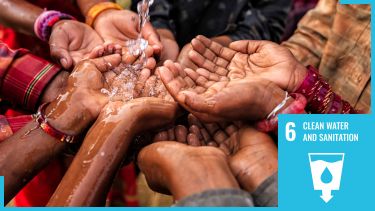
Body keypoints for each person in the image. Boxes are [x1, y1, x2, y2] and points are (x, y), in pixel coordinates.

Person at [142, 0, 292, 66]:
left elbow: (267, 26)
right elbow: (149, 3)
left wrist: (211, 49)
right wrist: (161, 33)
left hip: (223, 67)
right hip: (155, 45)